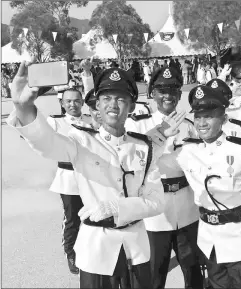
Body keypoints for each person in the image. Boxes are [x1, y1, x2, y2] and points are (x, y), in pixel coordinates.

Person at [7, 63, 185, 289]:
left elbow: (157, 202)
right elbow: (47, 142)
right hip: (96, 250)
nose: (113, 104)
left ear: (130, 106)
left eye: (121, 99)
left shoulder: (143, 148)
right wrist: (24, 108)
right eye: (107, 98)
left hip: (136, 249)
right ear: (97, 105)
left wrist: (117, 208)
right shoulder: (82, 141)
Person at [173, 85, 241, 288]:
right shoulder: (187, 151)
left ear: (224, 119)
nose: (202, 123)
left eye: (209, 116)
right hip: (209, 243)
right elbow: (150, 163)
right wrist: (161, 134)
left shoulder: (240, 150)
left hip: (239, 243)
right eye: (198, 117)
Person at [126, 66, 203, 289]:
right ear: (152, 93)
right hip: (155, 212)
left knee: (192, 270)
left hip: (187, 209)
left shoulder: (190, 126)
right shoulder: (138, 124)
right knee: (154, 274)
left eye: (173, 90)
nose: (167, 95)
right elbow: (133, 159)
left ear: (179, 94)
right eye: (161, 90)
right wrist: (160, 131)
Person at [43, 88, 92, 274]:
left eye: (77, 100)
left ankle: (88, 250)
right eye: (68, 101)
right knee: (72, 218)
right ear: (62, 104)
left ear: (82, 102)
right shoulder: (55, 122)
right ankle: (70, 252)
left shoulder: (89, 120)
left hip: (90, 177)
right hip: (69, 178)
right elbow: (37, 134)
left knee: (93, 215)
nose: (73, 104)